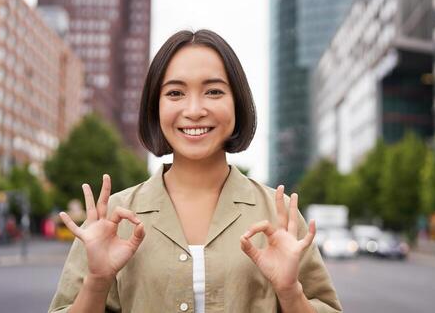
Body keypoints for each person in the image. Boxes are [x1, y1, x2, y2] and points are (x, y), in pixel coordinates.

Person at [48, 29, 342, 312]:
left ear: (237, 104)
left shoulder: (279, 217)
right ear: (155, 107)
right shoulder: (111, 218)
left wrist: (291, 291)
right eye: (175, 93)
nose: (194, 110)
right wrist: (97, 282)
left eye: (213, 91)